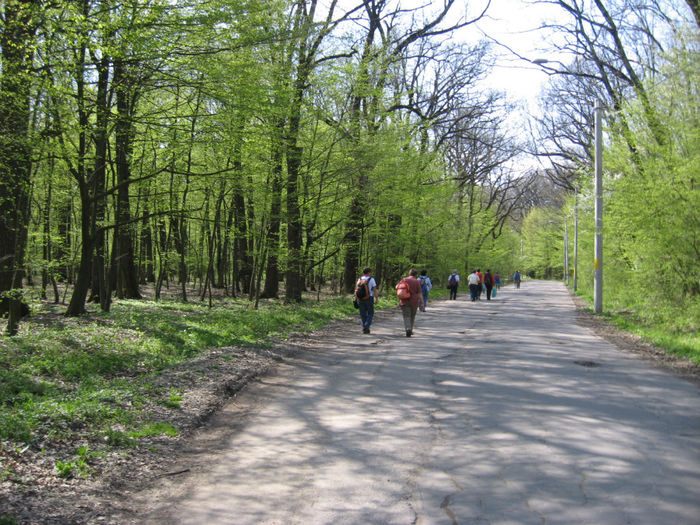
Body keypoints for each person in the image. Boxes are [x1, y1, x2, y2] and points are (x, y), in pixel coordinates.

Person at [396, 268, 424, 337]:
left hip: (404, 300)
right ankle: (410, 329)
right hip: (414, 301)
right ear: (416, 275)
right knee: (412, 316)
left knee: (406, 316)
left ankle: (408, 329)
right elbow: (420, 293)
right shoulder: (416, 281)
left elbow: (397, 287)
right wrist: (422, 303)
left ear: (409, 273)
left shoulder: (404, 280)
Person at [355, 267, 379, 334]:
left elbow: (356, 290)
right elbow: (374, 290)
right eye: (370, 272)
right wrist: (376, 299)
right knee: (370, 313)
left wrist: (355, 299)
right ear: (369, 272)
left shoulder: (359, 279)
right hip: (369, 298)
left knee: (363, 314)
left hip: (360, 299)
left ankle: (365, 330)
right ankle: (367, 324)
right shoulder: (371, 279)